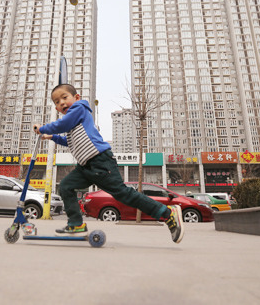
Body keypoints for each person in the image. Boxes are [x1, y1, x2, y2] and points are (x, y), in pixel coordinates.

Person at [34, 84, 184, 243]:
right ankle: (76, 224)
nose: (62, 103)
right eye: (57, 102)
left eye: (65, 98)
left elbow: (61, 125)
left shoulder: (79, 108)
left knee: (124, 195)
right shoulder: (73, 123)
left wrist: (44, 128)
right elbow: (68, 141)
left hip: (100, 161)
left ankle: (167, 213)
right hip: (86, 166)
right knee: (65, 186)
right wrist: (52, 137)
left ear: (76, 98)